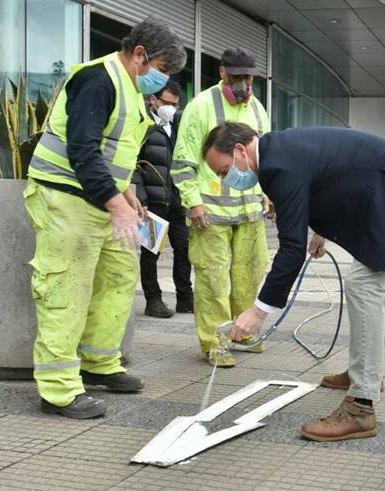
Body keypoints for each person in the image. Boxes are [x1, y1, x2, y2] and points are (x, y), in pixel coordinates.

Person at [202, 122, 385, 441]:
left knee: (365, 284)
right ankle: (362, 374)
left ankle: (361, 406)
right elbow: (334, 172)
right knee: (365, 283)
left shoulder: (278, 165)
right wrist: (322, 230)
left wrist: (257, 313)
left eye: (225, 169)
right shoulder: (278, 150)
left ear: (242, 150)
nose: (225, 178)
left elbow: (291, 249)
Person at [24, 18, 186, 419]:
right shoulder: (98, 80)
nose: (162, 81)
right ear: (139, 54)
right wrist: (117, 204)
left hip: (103, 201)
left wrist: (129, 197)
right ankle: (58, 390)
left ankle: (99, 364)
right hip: (66, 198)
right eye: (162, 70)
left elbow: (119, 154)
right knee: (66, 289)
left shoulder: (132, 89)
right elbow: (83, 150)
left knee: (118, 277)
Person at [170, 48, 271, 367]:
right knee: (213, 279)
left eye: (249, 77)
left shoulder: (257, 109)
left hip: (250, 212)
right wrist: (193, 201)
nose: (244, 84)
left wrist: (271, 193)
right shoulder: (201, 106)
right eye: (238, 77)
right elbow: (183, 161)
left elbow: (266, 155)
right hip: (209, 214)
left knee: (249, 275)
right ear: (223, 74)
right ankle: (214, 340)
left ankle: (242, 333)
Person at [133, 80, 193, 318]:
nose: (171, 108)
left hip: (178, 201)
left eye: (175, 104)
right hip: (152, 201)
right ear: (153, 100)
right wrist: (141, 197)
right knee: (151, 252)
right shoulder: (143, 126)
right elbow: (134, 164)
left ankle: (185, 299)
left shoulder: (178, 125)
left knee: (185, 248)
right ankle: (153, 300)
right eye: (167, 103)